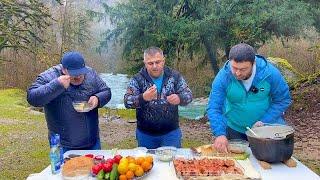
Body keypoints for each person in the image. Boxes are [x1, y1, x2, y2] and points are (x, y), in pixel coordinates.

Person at [207, 43, 291, 152]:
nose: (237, 73)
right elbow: (214, 107)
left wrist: (265, 121)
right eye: (234, 68)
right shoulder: (223, 77)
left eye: (243, 69)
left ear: (253, 63)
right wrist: (220, 134)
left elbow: (283, 100)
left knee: (269, 163)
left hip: (266, 130)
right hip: (235, 129)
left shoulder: (270, 74)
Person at [27, 51, 111, 153]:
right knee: (65, 169)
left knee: (94, 169)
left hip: (92, 142)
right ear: (63, 69)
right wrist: (57, 85)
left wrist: (97, 99)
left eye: (81, 72)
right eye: (74, 73)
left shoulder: (91, 73)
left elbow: (106, 91)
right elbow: (32, 98)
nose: (78, 76)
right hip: (63, 145)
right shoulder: (49, 76)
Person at [124, 47, 193, 149]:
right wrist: (143, 98)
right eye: (150, 63)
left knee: (172, 164)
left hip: (171, 133)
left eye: (158, 62)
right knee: (147, 164)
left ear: (163, 61)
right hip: (145, 134)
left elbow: (189, 95)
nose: (155, 66)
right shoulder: (137, 79)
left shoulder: (174, 76)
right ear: (145, 63)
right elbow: (127, 101)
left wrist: (179, 98)